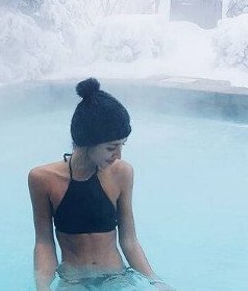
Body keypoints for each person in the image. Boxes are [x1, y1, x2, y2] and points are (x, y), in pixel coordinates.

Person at [28, 78, 174, 291]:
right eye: (111, 147)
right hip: (73, 281)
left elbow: (129, 240)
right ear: (87, 141)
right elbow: (43, 243)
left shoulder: (122, 173)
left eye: (122, 145)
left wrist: (155, 281)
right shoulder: (42, 179)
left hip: (116, 278)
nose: (118, 155)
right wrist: (42, 286)